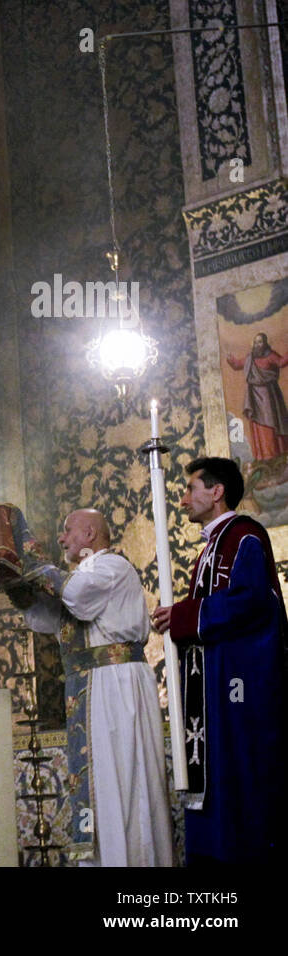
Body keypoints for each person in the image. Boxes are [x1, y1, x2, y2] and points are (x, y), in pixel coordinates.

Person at [9, 509, 173, 865]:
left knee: (123, 784)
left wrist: (32, 558)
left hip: (116, 685)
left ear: (89, 533)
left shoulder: (110, 567)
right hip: (90, 687)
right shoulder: (80, 578)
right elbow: (45, 617)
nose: (62, 539)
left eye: (67, 531)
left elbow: (77, 595)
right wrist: (15, 583)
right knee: (100, 784)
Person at [151, 457, 287, 864]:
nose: (183, 499)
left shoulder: (243, 536)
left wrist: (184, 615)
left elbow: (249, 602)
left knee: (240, 775)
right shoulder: (212, 547)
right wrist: (181, 616)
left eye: (191, 488)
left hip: (239, 685)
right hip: (213, 685)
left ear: (217, 491)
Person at [225, 333, 288, 461]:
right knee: (258, 426)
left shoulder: (270, 355)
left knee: (270, 424)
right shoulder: (250, 358)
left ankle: (276, 455)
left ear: (265, 343)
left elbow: (281, 362)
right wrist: (230, 359)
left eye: (260, 342)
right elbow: (237, 365)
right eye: (256, 342)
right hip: (254, 396)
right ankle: (264, 457)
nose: (258, 345)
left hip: (269, 396)